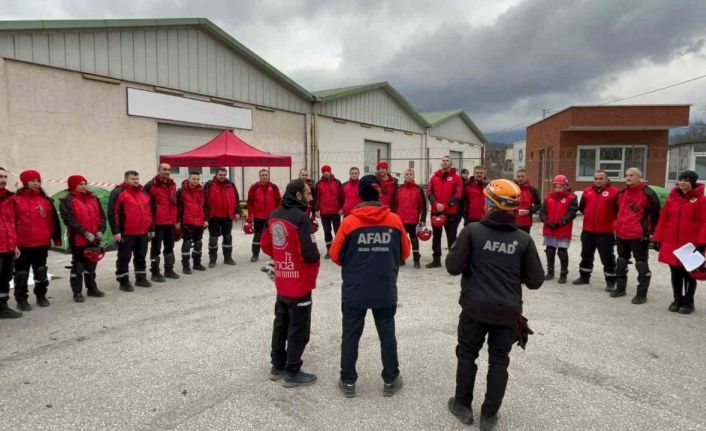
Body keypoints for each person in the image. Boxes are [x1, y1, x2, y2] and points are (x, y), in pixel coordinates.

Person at [445, 179, 544, 430]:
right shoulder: (523, 240)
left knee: (467, 355)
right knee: (499, 360)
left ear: (489, 202)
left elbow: (452, 267)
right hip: (507, 312)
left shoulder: (472, 231)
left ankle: (463, 406)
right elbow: (535, 281)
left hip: (474, 309)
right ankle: (489, 416)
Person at [329, 175, 411, 399]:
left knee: (351, 335)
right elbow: (405, 253)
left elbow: (335, 255)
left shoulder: (349, 222)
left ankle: (348, 381)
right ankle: (391, 378)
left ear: (360, 194)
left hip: (355, 290)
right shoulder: (394, 221)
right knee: (387, 334)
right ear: (380, 193)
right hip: (384, 289)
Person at [260, 179, 321, 388]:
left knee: (281, 322)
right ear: (298, 196)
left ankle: (277, 365)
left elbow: (266, 243)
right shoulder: (301, 218)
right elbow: (311, 254)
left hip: (282, 281)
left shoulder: (274, 214)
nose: (310, 197)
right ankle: (292, 371)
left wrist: (282, 255)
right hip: (300, 282)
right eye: (307, 193)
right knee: (299, 327)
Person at [652, 171, 705, 314]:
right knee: (674, 272)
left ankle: (688, 301)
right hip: (671, 242)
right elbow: (663, 220)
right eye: (680, 180)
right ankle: (677, 299)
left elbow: (704, 223)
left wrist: (702, 243)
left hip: (689, 244)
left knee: (689, 273)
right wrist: (657, 238)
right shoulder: (672, 199)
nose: (682, 183)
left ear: (693, 182)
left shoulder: (701, 200)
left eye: (686, 180)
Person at [13, 170, 61, 310]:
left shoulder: (46, 200)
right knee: (21, 273)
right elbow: (11, 221)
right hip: (22, 243)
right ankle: (21, 299)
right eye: (32, 180)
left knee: (41, 271)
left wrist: (56, 238)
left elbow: (54, 221)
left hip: (42, 242)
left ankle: (41, 295)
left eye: (38, 180)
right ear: (25, 182)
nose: (36, 183)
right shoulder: (16, 200)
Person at [611, 168, 660, 304]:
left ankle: (641, 294)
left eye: (631, 175)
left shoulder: (648, 193)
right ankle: (620, 288)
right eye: (626, 175)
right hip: (622, 233)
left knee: (641, 263)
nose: (628, 177)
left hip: (638, 234)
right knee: (621, 261)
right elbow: (616, 210)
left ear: (639, 177)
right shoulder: (622, 193)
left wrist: (651, 233)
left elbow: (655, 215)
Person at [59, 175, 107, 302]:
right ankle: (77, 292)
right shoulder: (67, 200)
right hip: (78, 238)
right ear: (73, 185)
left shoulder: (94, 198)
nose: (83, 186)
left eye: (85, 183)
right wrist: (84, 233)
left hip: (95, 237)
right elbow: (69, 220)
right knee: (78, 266)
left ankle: (92, 288)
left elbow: (102, 216)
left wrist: (101, 231)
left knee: (92, 264)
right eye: (80, 184)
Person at [108, 170, 155, 291]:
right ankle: (123, 281)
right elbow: (113, 213)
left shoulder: (143, 192)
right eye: (133, 179)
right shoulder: (118, 192)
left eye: (137, 179)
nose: (136, 181)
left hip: (142, 232)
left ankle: (141, 278)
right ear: (126, 179)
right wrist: (116, 231)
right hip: (126, 233)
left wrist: (151, 228)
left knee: (141, 256)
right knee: (124, 257)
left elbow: (149, 212)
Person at [572, 170, 619, 289]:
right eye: (596, 178)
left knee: (607, 257)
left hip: (605, 232)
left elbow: (618, 211)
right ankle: (584, 277)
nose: (598, 180)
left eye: (601, 178)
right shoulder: (587, 191)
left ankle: (610, 281)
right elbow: (582, 208)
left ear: (606, 179)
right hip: (588, 230)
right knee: (586, 255)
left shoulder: (615, 192)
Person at [539, 175, 578, 284]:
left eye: (561, 186)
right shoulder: (548, 198)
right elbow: (542, 212)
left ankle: (563, 273)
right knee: (550, 250)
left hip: (563, 228)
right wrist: (546, 221)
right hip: (549, 228)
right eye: (556, 186)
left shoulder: (571, 198)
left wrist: (562, 222)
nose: (558, 189)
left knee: (562, 251)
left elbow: (572, 213)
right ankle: (550, 272)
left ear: (565, 186)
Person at [144, 163, 179, 282]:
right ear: (158, 170)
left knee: (170, 247)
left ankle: (169, 270)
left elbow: (175, 203)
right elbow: (146, 207)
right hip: (157, 223)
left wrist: (177, 220)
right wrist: (150, 226)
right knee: (156, 249)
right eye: (164, 169)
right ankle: (155, 272)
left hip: (170, 222)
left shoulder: (172, 184)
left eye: (169, 169)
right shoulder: (150, 186)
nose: (167, 171)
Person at [426, 155, 463, 268]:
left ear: (451, 164)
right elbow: (429, 192)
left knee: (451, 237)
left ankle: (453, 262)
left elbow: (458, 194)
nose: (445, 162)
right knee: (436, 236)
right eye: (443, 161)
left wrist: (446, 205)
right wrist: (436, 204)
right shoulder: (434, 177)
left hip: (450, 212)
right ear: (441, 163)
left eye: (447, 161)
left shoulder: (456, 178)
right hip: (436, 211)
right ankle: (436, 260)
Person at [203, 168, 241, 267]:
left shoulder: (231, 185)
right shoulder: (209, 185)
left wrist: (237, 212)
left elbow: (236, 199)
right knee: (213, 239)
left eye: (224, 174)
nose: (222, 176)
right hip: (213, 216)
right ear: (216, 175)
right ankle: (212, 260)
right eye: (220, 174)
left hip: (227, 216)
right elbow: (204, 202)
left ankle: (228, 258)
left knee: (228, 238)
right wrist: (205, 217)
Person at [392, 168, 427, 268]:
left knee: (414, 240)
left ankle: (416, 260)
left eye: (410, 174)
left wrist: (423, 220)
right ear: (404, 176)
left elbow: (423, 206)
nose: (408, 175)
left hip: (413, 220)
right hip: (400, 220)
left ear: (413, 176)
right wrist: (394, 217)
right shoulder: (399, 189)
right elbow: (394, 204)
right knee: (400, 240)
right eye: (407, 174)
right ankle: (401, 258)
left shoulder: (418, 189)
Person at [0, 167, 22, 318]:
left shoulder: (10, 198)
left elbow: (13, 222)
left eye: (5, 177)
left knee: (5, 278)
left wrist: (15, 245)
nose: (3, 180)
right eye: (0, 177)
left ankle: (2, 306)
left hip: (8, 246)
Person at [177, 172, 208, 274]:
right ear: (188, 179)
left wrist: (205, 220)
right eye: (193, 179)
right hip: (187, 222)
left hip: (199, 222)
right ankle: (186, 266)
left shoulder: (202, 191)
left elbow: (205, 207)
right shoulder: (181, 191)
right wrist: (177, 221)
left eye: (197, 179)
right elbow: (177, 208)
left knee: (198, 243)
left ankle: (197, 263)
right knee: (187, 243)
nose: (196, 181)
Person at [247, 169, 281, 262]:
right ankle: (255, 254)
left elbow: (278, 201)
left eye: (266, 175)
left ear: (268, 176)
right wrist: (250, 215)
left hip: (272, 217)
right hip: (258, 217)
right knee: (257, 236)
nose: (265, 176)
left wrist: (278, 213)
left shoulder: (274, 187)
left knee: (273, 236)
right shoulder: (254, 187)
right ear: (259, 176)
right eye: (262, 175)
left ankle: (273, 254)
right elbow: (250, 203)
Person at [313, 165, 343, 258]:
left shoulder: (337, 182)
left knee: (337, 232)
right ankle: (329, 251)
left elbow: (341, 196)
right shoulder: (318, 184)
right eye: (324, 171)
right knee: (327, 232)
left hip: (335, 212)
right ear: (322, 172)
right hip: (324, 212)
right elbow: (316, 198)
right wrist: (316, 210)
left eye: (328, 171)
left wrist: (341, 207)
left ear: (330, 171)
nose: (326, 173)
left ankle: (338, 251)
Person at [513, 169, 541, 233]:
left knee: (524, 242)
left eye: (522, 176)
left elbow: (539, 205)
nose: (520, 178)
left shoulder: (532, 190)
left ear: (526, 177)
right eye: (518, 177)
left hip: (526, 224)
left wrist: (529, 211)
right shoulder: (512, 188)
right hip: (513, 222)